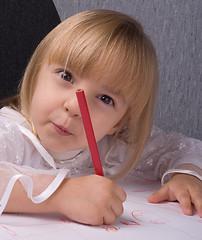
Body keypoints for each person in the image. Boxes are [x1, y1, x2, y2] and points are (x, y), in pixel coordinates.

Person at [0, 9, 201, 226]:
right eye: (66, 76)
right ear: (37, 72)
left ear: (119, 122)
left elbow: (185, 148)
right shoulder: (10, 133)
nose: (74, 106)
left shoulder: (113, 148)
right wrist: (62, 195)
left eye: (105, 98)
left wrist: (187, 176)